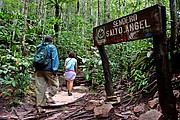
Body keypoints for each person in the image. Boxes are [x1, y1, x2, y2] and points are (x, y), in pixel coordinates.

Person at [34, 35, 59, 113]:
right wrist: (54, 71)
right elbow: (54, 59)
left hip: (38, 69)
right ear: (51, 41)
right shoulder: (52, 47)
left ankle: (39, 106)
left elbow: (36, 57)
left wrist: (35, 68)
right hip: (48, 70)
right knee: (55, 84)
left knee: (40, 88)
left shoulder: (39, 46)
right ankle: (49, 96)